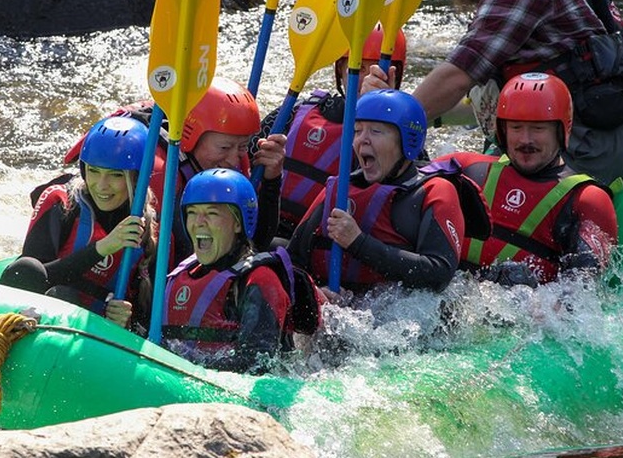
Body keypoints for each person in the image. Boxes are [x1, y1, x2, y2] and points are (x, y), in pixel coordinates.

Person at [364, 0, 623, 185]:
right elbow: (485, 94)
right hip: (547, 139)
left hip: (588, 145)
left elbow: (459, 75)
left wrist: (389, 122)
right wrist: (400, 102)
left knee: (440, 189)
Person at [64, 76, 287, 266]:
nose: (234, 159)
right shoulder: (157, 171)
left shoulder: (233, 160)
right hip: (126, 268)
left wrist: (271, 179)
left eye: (242, 146)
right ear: (190, 136)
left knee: (280, 251)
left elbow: (253, 243)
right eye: (224, 147)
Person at [287, 89, 486, 296]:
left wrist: (358, 242)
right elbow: (294, 258)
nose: (362, 139)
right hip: (339, 310)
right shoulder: (340, 187)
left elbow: (439, 273)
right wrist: (314, 293)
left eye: (376, 131)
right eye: (357, 131)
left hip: (399, 321)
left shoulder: (435, 191)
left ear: (408, 141)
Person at [441, 72, 617, 287]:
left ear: (562, 131)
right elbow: (402, 176)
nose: (525, 139)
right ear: (502, 131)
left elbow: (582, 292)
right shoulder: (466, 169)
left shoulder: (586, 199)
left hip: (520, 312)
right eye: (516, 127)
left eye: (538, 128)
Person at [0, 116, 156, 332]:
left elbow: (151, 323)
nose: (101, 186)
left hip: (97, 336)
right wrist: (102, 248)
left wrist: (127, 319)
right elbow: (27, 276)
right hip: (44, 317)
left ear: (137, 178)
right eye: (93, 171)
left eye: (116, 175)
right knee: (49, 284)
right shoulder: (61, 203)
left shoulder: (151, 232)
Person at [251, 24, 407, 240]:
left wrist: (383, 117)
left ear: (394, 77)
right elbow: (241, 158)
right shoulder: (292, 114)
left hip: (328, 251)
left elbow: (404, 196)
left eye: (378, 69)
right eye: (358, 68)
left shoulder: (406, 138)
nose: (366, 81)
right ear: (340, 71)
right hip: (269, 233)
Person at [161, 168, 320, 374]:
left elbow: (258, 364)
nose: (198, 222)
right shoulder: (181, 273)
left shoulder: (260, 280)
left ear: (238, 223)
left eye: (211, 213)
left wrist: (183, 369)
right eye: (192, 213)